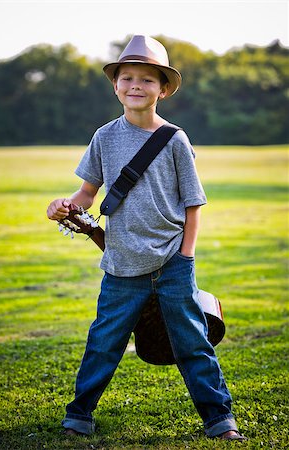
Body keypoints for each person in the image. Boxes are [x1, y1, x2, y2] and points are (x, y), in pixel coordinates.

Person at [47, 35, 246, 442]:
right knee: (104, 342)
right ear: (115, 85)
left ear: (164, 89)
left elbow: (193, 204)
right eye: (127, 78)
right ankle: (79, 414)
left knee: (192, 343)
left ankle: (219, 418)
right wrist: (64, 205)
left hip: (173, 262)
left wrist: (185, 257)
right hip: (121, 264)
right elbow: (88, 193)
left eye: (147, 80)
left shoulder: (175, 139)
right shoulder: (104, 136)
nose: (136, 85)